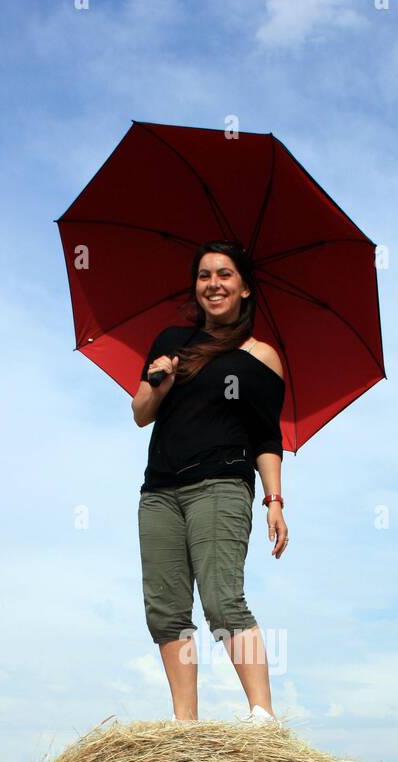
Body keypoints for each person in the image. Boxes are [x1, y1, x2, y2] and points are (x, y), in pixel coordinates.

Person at [132, 240, 288, 723]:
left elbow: (266, 436)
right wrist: (161, 380)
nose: (213, 284)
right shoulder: (170, 343)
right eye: (204, 275)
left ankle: (262, 717)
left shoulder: (261, 356)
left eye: (224, 275)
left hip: (221, 485)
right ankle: (185, 726)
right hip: (159, 491)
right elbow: (140, 414)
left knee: (222, 600)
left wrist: (274, 500)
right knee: (165, 610)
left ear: (244, 288)